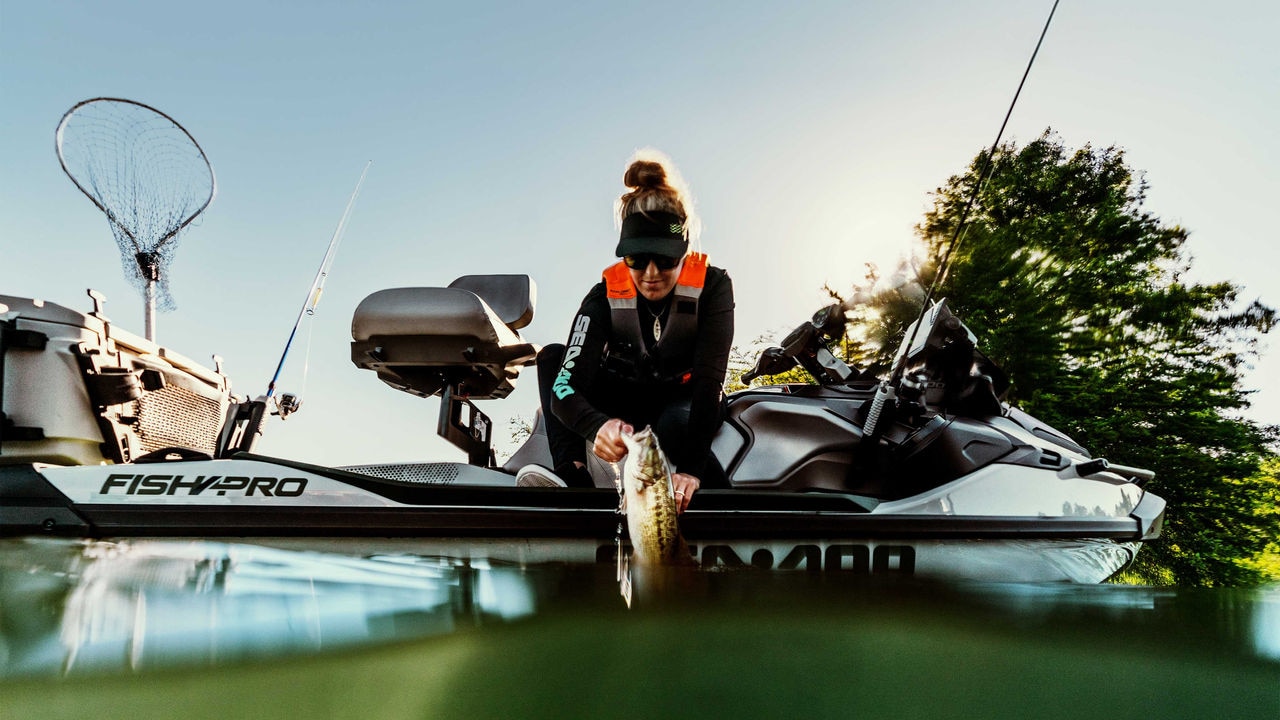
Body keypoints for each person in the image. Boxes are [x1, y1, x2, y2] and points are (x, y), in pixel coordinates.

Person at [520, 150, 735, 512]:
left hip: (682, 400)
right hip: (624, 397)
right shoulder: (603, 295)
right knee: (552, 358)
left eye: (665, 259)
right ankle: (573, 479)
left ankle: (727, 506)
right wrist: (595, 426)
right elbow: (563, 387)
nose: (651, 273)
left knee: (672, 425)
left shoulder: (713, 286)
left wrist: (691, 471)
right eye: (636, 259)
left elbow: (709, 381)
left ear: (683, 251)